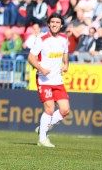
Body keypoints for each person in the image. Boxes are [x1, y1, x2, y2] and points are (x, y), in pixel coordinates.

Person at [27, 13, 71, 148]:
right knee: (50, 108)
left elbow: (65, 54)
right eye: (52, 22)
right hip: (44, 79)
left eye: (58, 22)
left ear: (61, 25)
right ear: (49, 24)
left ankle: (43, 127)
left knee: (65, 110)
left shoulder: (64, 39)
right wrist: (40, 68)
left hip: (57, 80)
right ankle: (42, 139)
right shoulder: (42, 39)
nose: (55, 24)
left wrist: (66, 64)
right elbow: (31, 57)